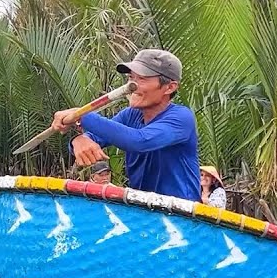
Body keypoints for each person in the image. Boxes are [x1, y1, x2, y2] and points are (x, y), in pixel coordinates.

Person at [51, 49, 200, 201]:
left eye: (142, 79)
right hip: (146, 211)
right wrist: (78, 141)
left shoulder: (181, 118)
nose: (131, 85)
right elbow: (95, 136)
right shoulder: (130, 115)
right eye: (130, 78)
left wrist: (80, 115)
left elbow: (140, 141)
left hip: (182, 214)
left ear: (170, 87)